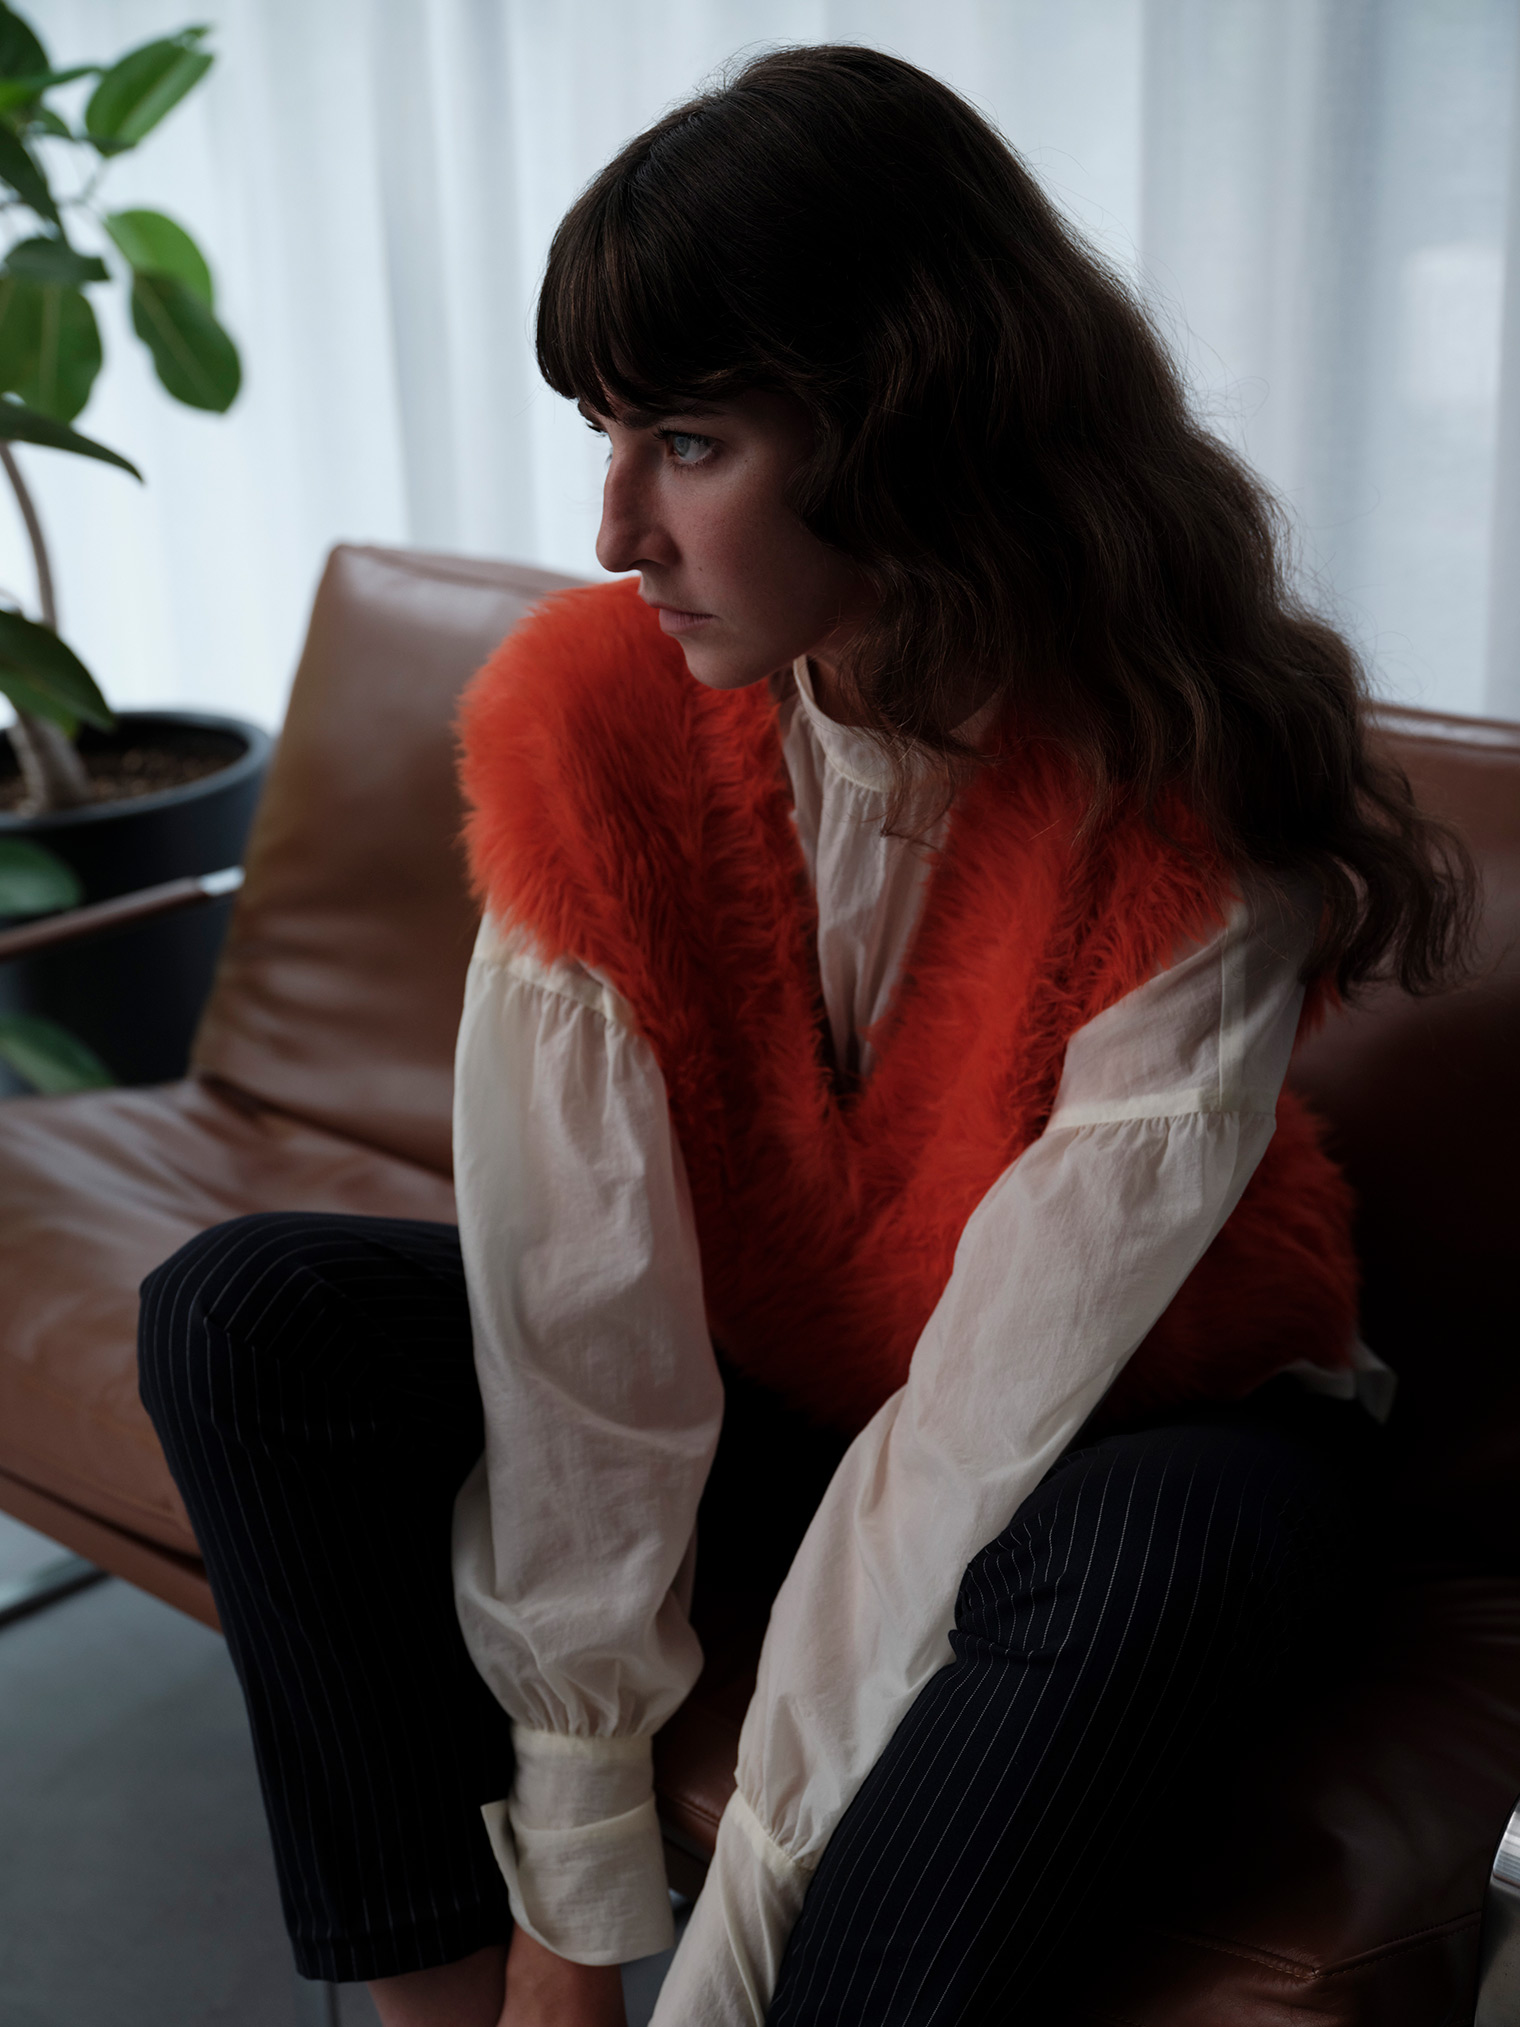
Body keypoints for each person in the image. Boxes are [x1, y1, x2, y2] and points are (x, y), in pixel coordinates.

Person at [137, 44, 1474, 2027]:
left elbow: (985, 1421)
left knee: (1155, 1554)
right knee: (250, 1319)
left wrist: (725, 1948)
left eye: (687, 440)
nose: (614, 528)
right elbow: (582, 1317)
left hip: (1137, 1421)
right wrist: (569, 1919)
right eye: (603, 432)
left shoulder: (1185, 781)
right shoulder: (586, 725)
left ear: (913, 424)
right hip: (795, 1382)